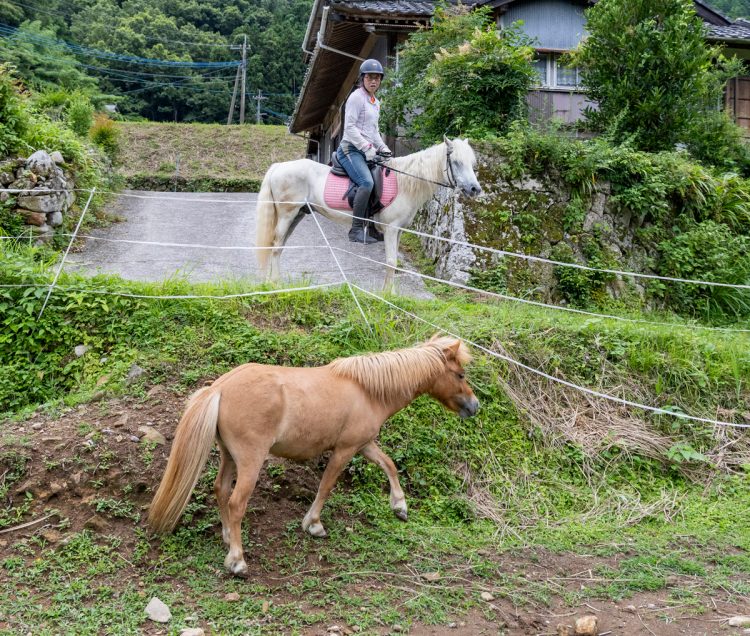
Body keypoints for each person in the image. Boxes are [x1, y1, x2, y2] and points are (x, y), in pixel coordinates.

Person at [336, 58, 392, 244]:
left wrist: (382, 147)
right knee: (366, 183)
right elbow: (349, 128)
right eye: (370, 77)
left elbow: (373, 131)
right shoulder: (356, 98)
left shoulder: (375, 102)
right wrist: (366, 147)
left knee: (378, 182)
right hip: (350, 150)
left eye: (377, 78)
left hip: (367, 151)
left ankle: (372, 228)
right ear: (363, 78)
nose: (373, 81)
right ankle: (356, 230)